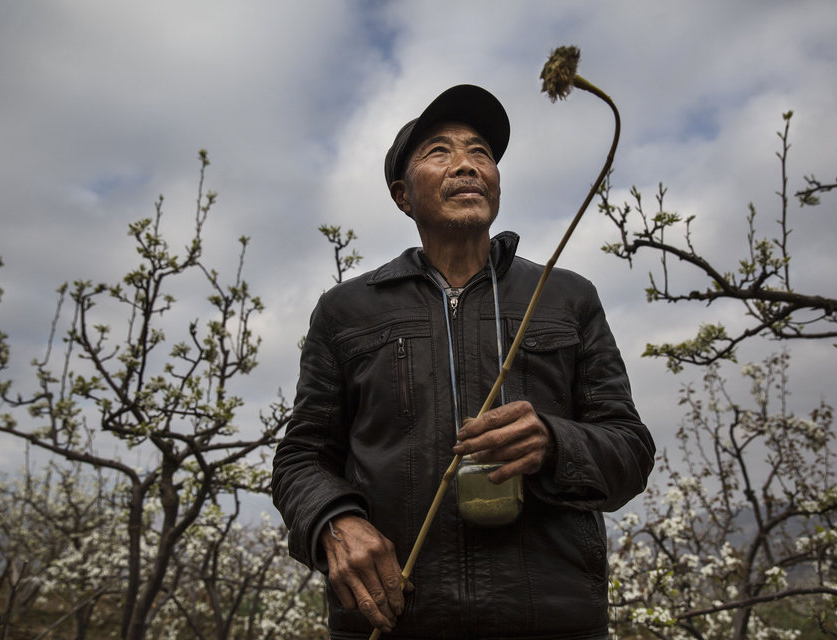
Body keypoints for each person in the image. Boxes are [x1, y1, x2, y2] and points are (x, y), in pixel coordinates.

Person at [272, 84, 655, 639]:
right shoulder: (346, 311)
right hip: (394, 622)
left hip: (552, 624)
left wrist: (553, 442)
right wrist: (334, 523)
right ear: (404, 195)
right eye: (439, 152)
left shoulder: (566, 296)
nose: (467, 165)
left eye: (481, 153)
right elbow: (302, 457)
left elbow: (630, 449)